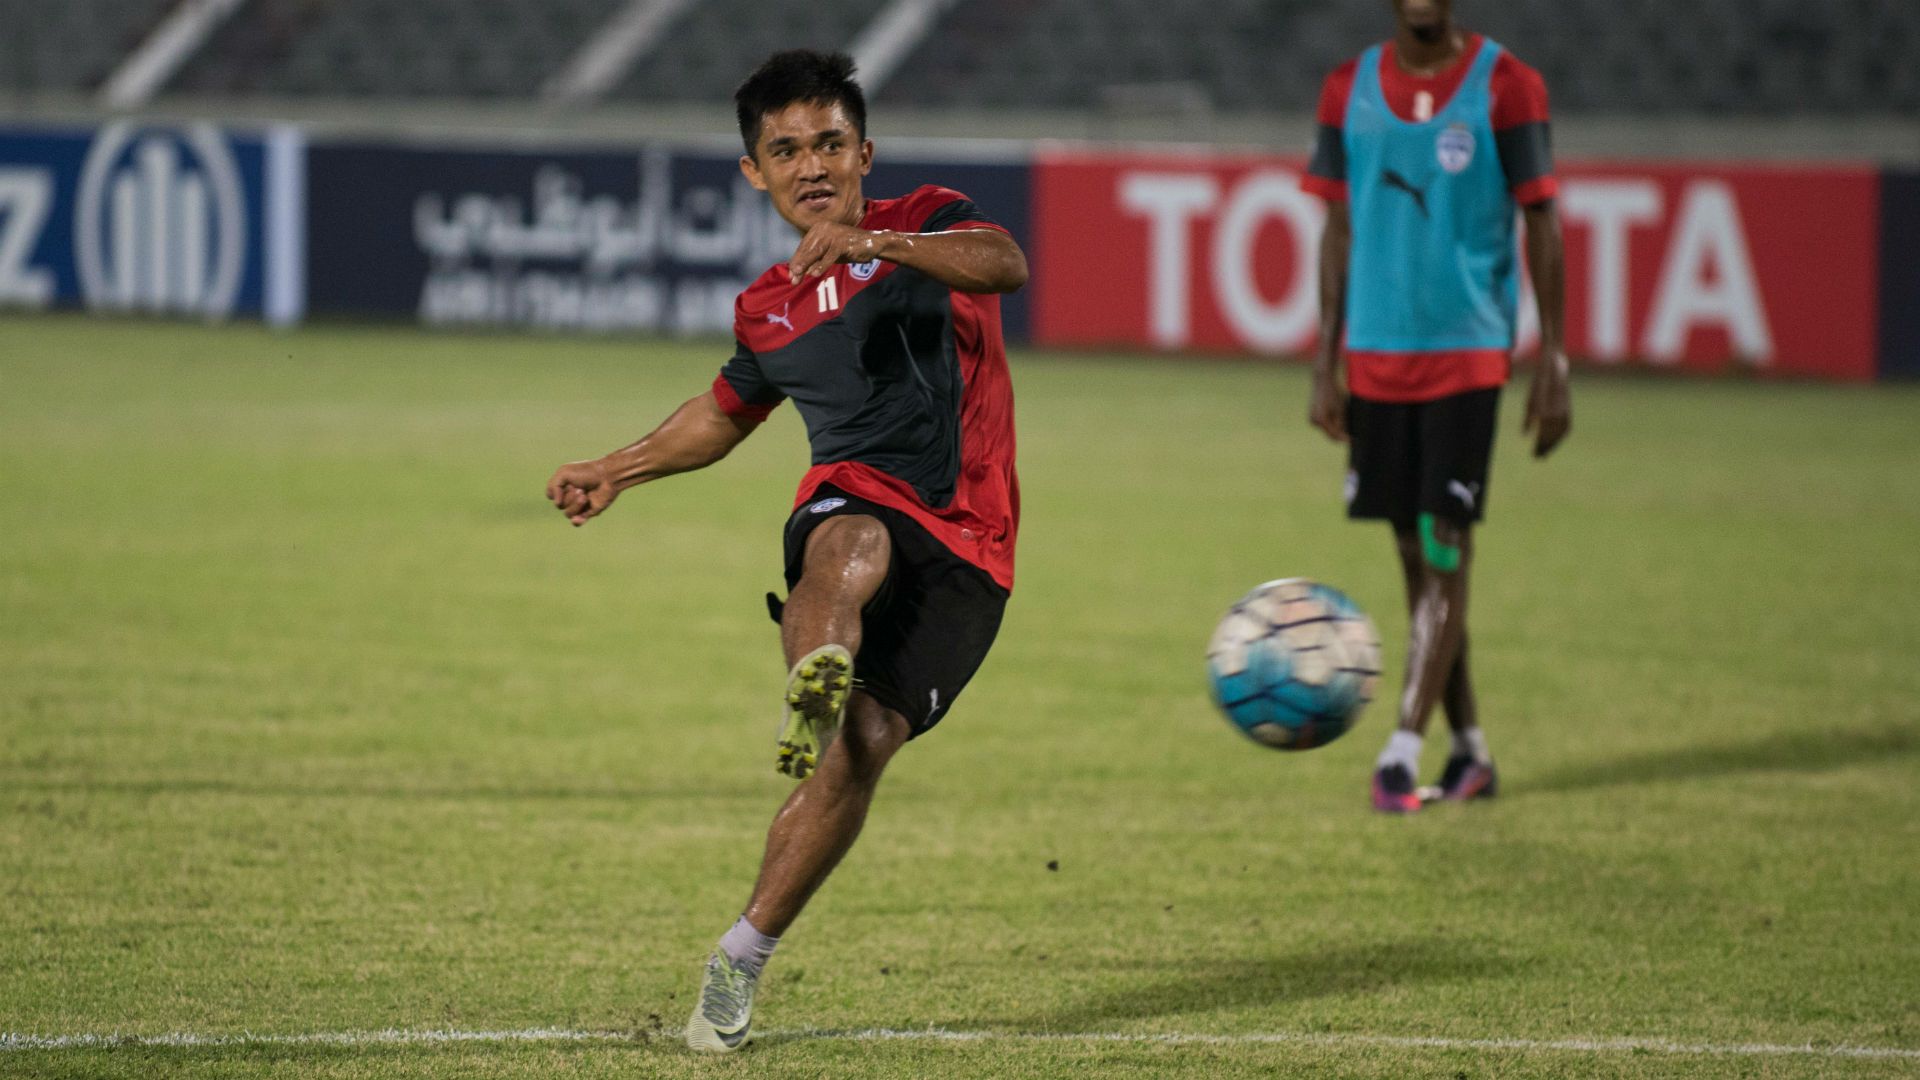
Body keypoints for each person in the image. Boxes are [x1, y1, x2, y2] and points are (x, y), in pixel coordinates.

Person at [544, 50, 1028, 1050]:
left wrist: (878, 241)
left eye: (830, 144)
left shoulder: (930, 218)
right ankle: (816, 676)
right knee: (849, 538)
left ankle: (740, 955)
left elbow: (1003, 263)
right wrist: (617, 468)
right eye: (786, 150)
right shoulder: (767, 305)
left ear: (865, 154)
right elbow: (724, 413)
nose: (812, 166)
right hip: (857, 493)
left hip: (975, 542)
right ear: (753, 171)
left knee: (866, 749)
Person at [1302, 0, 1571, 813]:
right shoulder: (1346, 88)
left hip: (1466, 350)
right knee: (1417, 561)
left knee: (1445, 544)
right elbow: (1337, 228)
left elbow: (1542, 218)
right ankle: (1471, 752)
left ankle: (1401, 751)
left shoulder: (1508, 85)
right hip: (1376, 355)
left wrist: (1553, 359)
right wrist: (1325, 362)